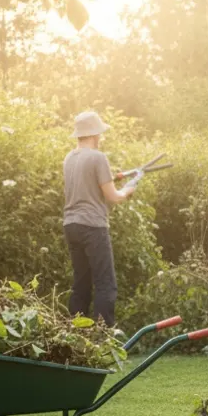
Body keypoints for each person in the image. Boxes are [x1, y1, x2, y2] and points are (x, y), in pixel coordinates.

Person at [63, 110, 136, 326]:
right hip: (92, 226)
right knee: (106, 284)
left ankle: (75, 336)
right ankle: (102, 339)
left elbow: (87, 186)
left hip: (71, 225)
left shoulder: (69, 158)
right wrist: (128, 191)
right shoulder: (98, 157)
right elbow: (113, 196)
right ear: (95, 134)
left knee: (81, 284)